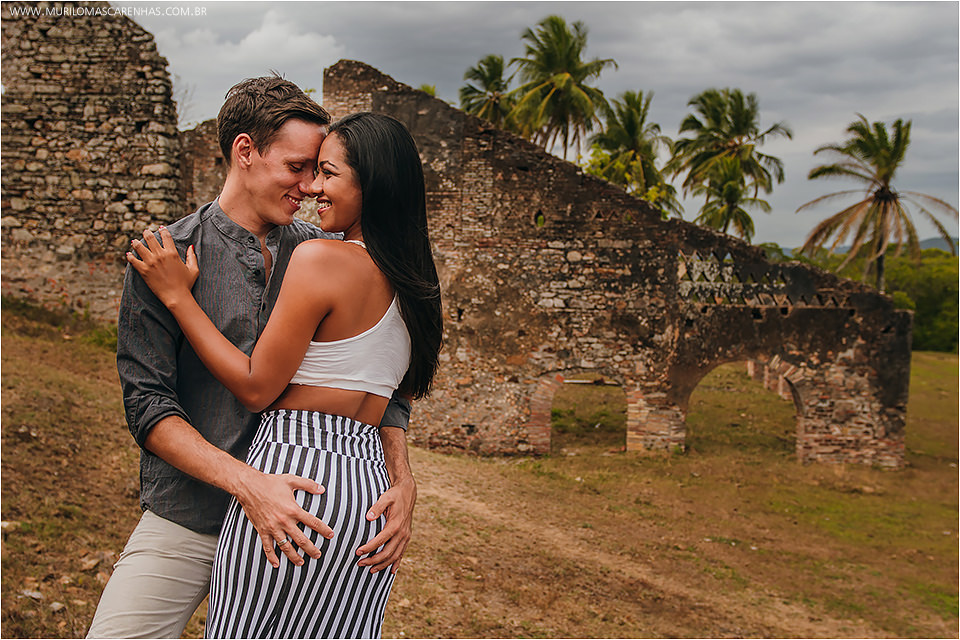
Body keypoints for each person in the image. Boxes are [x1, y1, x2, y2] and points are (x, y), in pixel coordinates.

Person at [87, 79, 418, 639]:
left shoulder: (329, 253)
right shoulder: (163, 256)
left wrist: (402, 478)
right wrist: (248, 484)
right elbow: (148, 408)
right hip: (188, 515)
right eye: (297, 167)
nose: (310, 185)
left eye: (320, 169)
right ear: (245, 151)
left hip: (304, 521)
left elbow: (377, 378)